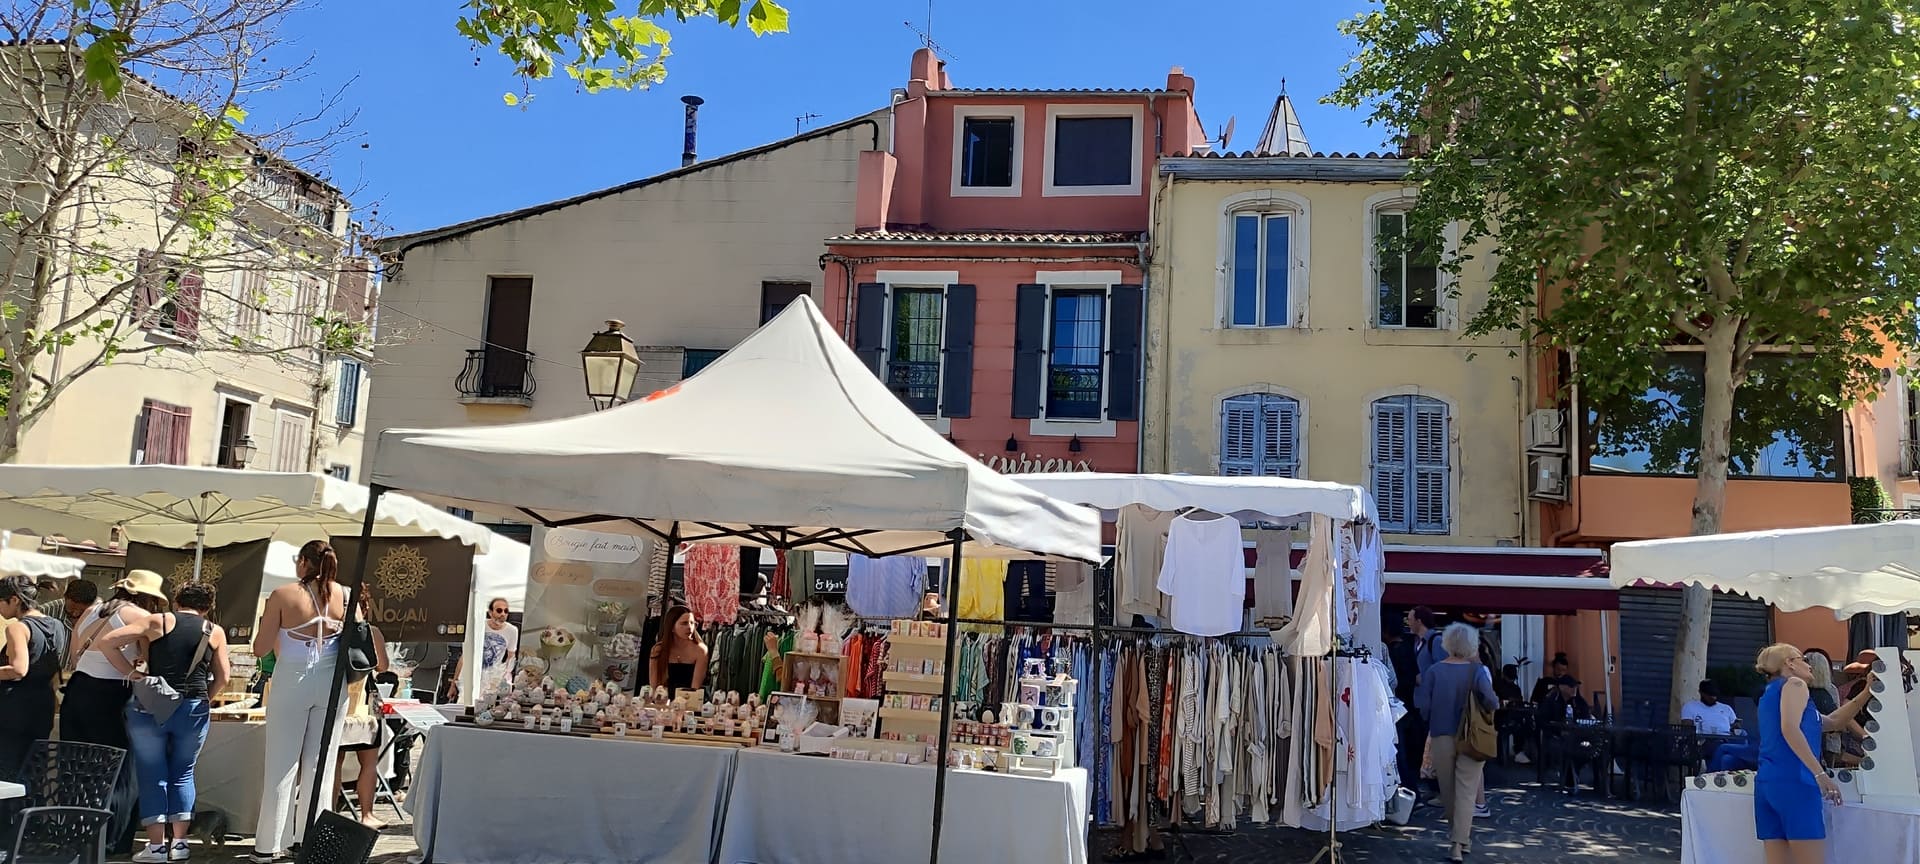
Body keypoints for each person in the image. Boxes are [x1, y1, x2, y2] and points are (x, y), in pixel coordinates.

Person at [101, 582, 229, 864]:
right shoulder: (214, 631)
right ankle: (180, 844)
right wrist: (204, 697)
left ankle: (156, 847)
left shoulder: (157, 621)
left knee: (152, 773)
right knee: (183, 773)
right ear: (209, 606)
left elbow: (106, 641)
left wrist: (131, 674)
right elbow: (223, 677)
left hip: (152, 706)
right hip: (194, 707)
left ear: (176, 600)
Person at [251, 539, 349, 863]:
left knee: (281, 764)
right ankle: (311, 842)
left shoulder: (283, 595)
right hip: (333, 683)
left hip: (293, 679)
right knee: (320, 765)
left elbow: (260, 648)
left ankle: (269, 844)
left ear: (304, 562)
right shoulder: (344, 595)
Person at [61, 570, 171, 851]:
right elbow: (146, 659)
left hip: (77, 690)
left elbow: (75, 655)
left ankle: (75, 832)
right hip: (111, 693)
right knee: (120, 767)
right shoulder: (138, 617)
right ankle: (111, 839)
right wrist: (131, 671)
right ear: (147, 597)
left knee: (77, 764)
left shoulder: (91, 611)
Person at [1752, 644, 1877, 864]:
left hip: (1768, 784)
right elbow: (1789, 728)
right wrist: (1820, 775)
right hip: (1797, 782)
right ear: (1789, 663)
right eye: (1803, 659)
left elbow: (1834, 722)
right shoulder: (1796, 684)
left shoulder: (1771, 693)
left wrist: (1867, 692)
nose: (1809, 665)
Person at [1414, 622, 1499, 864]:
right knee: (1466, 792)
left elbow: (1423, 707)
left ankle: (1459, 840)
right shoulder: (1478, 671)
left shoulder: (1433, 671)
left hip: (1441, 735)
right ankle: (1458, 844)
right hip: (1471, 738)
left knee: (1449, 792)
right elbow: (1491, 702)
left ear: (1448, 644)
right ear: (1472, 645)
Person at [0, 576, 68, 781]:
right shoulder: (57, 625)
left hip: (14, 707)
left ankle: (7, 813)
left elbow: (19, 669)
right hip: (43, 704)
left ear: (14, 600)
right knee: (33, 769)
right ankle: (30, 812)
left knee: (7, 770)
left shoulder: (17, 628)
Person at [336, 594, 391, 829]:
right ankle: (366, 814)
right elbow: (383, 666)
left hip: (337, 697)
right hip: (365, 699)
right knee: (368, 762)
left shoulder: (330, 629)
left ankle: (330, 811)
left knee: (334, 761)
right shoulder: (372, 631)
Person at [447, 597, 515, 701]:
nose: (503, 614)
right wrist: (453, 684)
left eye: (506, 611)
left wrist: (504, 679)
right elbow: (465, 656)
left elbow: (511, 658)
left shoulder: (512, 631)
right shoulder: (478, 626)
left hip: (491, 683)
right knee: (464, 708)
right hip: (470, 678)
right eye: (499, 610)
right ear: (490, 612)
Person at [648, 605, 707, 692]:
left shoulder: (700, 650)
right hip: (663, 697)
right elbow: (654, 684)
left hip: (689, 698)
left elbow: (695, 687)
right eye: (684, 623)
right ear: (672, 627)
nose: (689, 627)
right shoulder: (658, 649)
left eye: (692, 623)